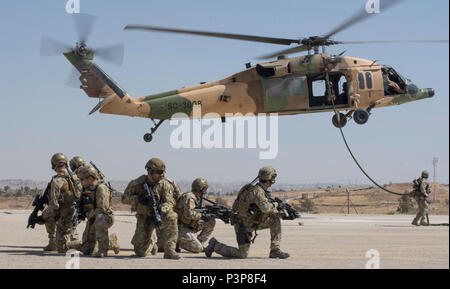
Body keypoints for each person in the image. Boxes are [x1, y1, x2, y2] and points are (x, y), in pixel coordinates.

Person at [204, 167, 289, 259]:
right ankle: (215, 245)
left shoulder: (255, 189)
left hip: (251, 222)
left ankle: (275, 250)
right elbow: (266, 208)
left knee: (275, 220)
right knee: (242, 254)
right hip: (242, 225)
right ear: (269, 178)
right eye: (273, 178)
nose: (273, 180)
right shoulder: (257, 191)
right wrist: (277, 205)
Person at [121, 158, 180, 259]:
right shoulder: (137, 183)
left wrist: (162, 208)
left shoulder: (164, 184)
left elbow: (170, 202)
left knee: (172, 216)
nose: (161, 175)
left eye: (162, 172)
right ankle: (151, 241)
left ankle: (170, 250)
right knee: (140, 252)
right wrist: (137, 199)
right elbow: (124, 199)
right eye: (159, 172)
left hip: (159, 215)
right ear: (150, 171)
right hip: (144, 217)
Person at [39, 153, 81, 253]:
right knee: (68, 239)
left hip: (65, 215)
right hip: (76, 212)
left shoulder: (57, 180)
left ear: (54, 165)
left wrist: (42, 217)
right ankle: (55, 243)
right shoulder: (76, 177)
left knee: (62, 247)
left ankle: (103, 243)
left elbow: (54, 205)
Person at [76, 165, 120, 257]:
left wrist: (89, 214)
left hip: (105, 218)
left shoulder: (101, 188)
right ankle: (111, 241)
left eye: (82, 179)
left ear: (90, 178)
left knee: (100, 218)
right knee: (87, 249)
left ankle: (103, 249)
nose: (81, 182)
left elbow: (102, 209)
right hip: (93, 218)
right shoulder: (86, 189)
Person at [175, 178, 216, 253]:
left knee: (211, 221)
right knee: (198, 249)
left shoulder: (197, 198)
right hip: (180, 228)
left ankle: (198, 242)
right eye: (204, 190)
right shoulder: (189, 197)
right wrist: (202, 216)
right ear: (201, 189)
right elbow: (189, 214)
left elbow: (197, 212)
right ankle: (177, 242)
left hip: (188, 226)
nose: (205, 192)